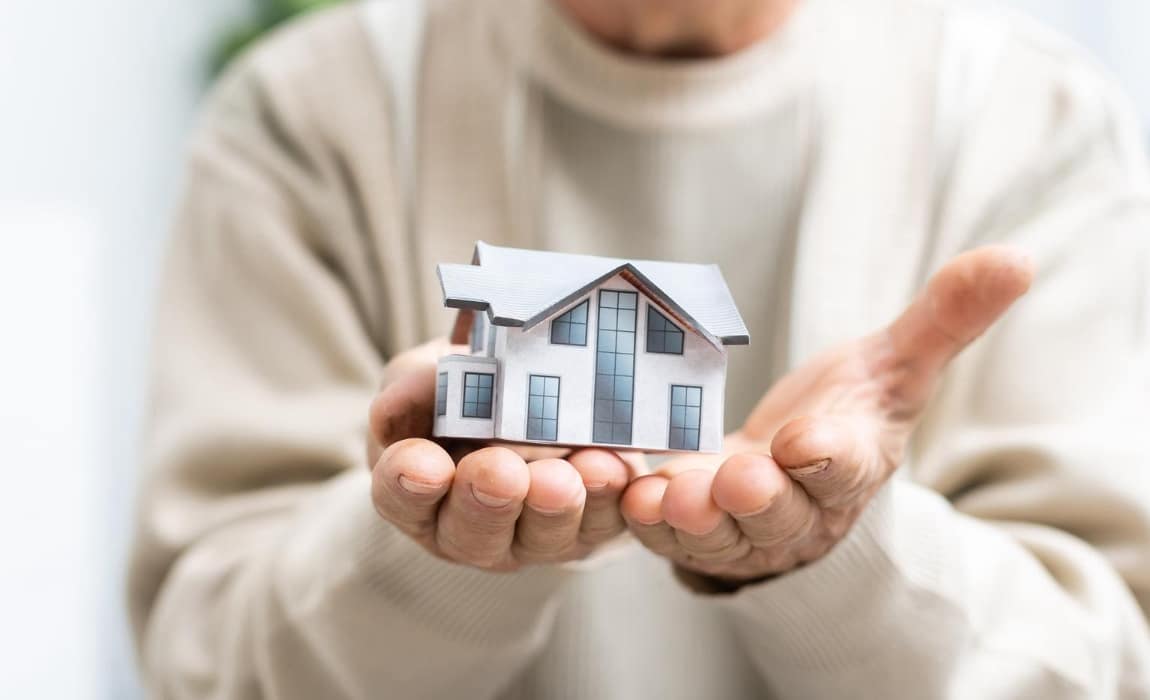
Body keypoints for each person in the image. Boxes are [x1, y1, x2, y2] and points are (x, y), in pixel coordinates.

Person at [128, 0, 1150, 696]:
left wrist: (845, 559)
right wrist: (421, 550)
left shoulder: (1028, 114)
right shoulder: (310, 112)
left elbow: (1103, 661)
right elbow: (208, 664)